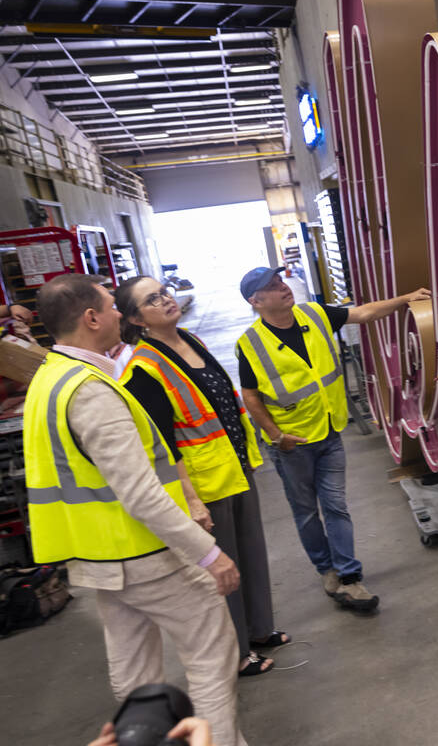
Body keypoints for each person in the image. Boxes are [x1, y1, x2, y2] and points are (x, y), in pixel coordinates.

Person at [22, 274, 247, 746]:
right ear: (91, 318)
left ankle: (142, 736)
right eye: (111, 305)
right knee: (211, 654)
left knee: (134, 677)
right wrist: (210, 554)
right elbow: (141, 493)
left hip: (97, 559)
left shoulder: (49, 379)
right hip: (143, 555)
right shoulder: (90, 391)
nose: (120, 313)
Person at [115, 276, 289, 677]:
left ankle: (259, 630)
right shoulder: (144, 368)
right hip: (204, 482)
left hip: (233, 465)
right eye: (152, 300)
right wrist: (190, 499)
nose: (165, 300)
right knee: (221, 571)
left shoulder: (191, 340)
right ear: (137, 319)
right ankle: (236, 654)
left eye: (164, 292)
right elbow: (163, 443)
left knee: (251, 552)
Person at [235, 266, 429, 611]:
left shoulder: (314, 313)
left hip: (329, 431)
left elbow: (364, 312)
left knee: (336, 505)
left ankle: (350, 577)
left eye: (281, 281)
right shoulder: (250, 343)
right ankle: (326, 569)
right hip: (291, 444)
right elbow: (250, 395)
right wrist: (276, 436)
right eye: (272, 286)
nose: (283, 287)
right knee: (307, 512)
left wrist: (405, 299)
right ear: (256, 300)